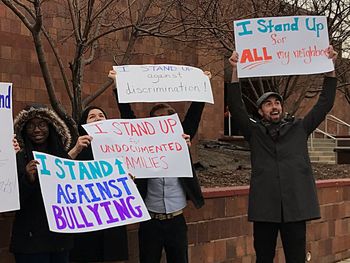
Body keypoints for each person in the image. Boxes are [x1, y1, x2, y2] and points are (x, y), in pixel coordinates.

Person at [227, 46, 338, 263]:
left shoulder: (300, 128)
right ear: (261, 112)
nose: (274, 106)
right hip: (264, 210)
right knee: (264, 258)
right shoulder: (254, 132)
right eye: (268, 104)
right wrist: (235, 70)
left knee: (296, 258)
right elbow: (236, 106)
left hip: (295, 208)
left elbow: (325, 103)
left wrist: (330, 69)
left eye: (277, 102)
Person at [108, 69, 208, 263]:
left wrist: (202, 84)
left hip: (177, 220)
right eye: (157, 118)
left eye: (167, 117)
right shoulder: (142, 140)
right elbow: (127, 115)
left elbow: (194, 114)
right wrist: (117, 85)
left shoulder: (182, 138)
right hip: (150, 221)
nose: (162, 121)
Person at [11, 104, 73, 263]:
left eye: (42, 124)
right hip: (30, 241)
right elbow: (10, 197)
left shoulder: (62, 156)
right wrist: (28, 179)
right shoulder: (17, 157)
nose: (37, 130)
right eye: (30, 125)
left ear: (51, 127)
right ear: (24, 129)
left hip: (60, 238)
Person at [68, 106, 129, 262]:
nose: (97, 118)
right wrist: (75, 150)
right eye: (92, 116)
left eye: (101, 115)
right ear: (84, 124)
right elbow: (59, 172)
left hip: (113, 221)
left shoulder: (119, 148)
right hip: (86, 221)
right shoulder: (76, 148)